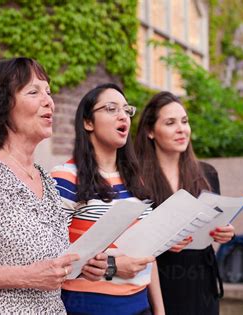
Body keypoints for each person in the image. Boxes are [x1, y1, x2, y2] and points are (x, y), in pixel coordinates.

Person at [0, 57, 107, 314]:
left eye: (48, 91)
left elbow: (45, 265)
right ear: (2, 105)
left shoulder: (44, 178)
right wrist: (25, 277)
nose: (49, 101)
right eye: (34, 92)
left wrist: (80, 265)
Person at [51, 83, 164, 315]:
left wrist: (160, 311)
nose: (122, 115)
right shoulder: (63, 177)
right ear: (88, 122)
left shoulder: (137, 182)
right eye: (111, 109)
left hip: (140, 306)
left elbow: (147, 257)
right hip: (87, 307)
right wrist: (112, 267)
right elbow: (52, 259)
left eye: (126, 110)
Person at [134, 91, 235, 315]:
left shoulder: (207, 173)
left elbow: (215, 220)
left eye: (185, 121)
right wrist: (162, 242)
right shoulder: (136, 178)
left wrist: (225, 231)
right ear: (150, 131)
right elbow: (131, 239)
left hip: (202, 280)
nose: (182, 129)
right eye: (170, 123)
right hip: (158, 283)